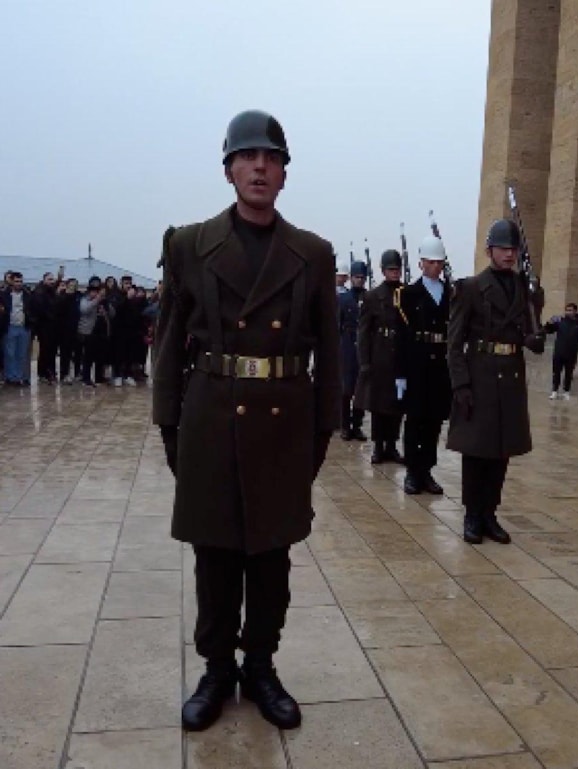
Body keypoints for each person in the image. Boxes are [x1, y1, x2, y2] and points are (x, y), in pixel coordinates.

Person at [153, 109, 340, 734]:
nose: (260, 166)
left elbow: (331, 353)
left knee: (270, 557)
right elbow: (170, 344)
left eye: (272, 158)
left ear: (285, 173)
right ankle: (215, 669)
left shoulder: (312, 253)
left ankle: (259, 664)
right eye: (248, 157)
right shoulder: (188, 245)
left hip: (284, 423)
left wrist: (322, 431)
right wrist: (169, 425)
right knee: (214, 555)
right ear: (229, 168)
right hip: (209, 416)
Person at [447, 218, 545, 545]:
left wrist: (535, 335)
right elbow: (454, 342)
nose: (509, 254)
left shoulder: (525, 287)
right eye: (503, 248)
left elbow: (531, 331)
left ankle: (490, 514)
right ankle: (472, 515)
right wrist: (460, 384)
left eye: (513, 249)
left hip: (510, 378)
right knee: (477, 452)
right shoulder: (471, 288)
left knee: (501, 452)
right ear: (490, 250)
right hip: (480, 376)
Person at [395, 235, 452, 495]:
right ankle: (412, 472)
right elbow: (401, 337)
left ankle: (427, 470)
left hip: (440, 363)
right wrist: (400, 374)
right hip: (416, 362)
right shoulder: (407, 294)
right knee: (415, 420)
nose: (435, 267)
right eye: (430, 262)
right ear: (421, 264)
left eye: (439, 262)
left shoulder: (450, 293)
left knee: (434, 421)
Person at [354, 249, 405, 464]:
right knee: (378, 406)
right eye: (391, 269)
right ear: (384, 271)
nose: (394, 273)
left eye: (397, 269)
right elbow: (364, 332)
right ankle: (378, 446)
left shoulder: (406, 293)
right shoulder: (373, 296)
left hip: (400, 356)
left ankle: (392, 445)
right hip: (380, 355)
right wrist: (364, 361)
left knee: (397, 405)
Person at [338, 260, 368, 440]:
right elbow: (337, 324)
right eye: (357, 277)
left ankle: (357, 425)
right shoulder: (343, 299)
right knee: (346, 389)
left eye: (362, 277)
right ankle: (344, 425)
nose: (359, 280)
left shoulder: (369, 297)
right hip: (347, 345)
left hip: (364, 346)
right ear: (351, 278)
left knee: (361, 389)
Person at [543, 302, 578, 400]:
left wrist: (575, 343)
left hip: (572, 353)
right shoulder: (560, 321)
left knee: (569, 373)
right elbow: (548, 329)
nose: (568, 312)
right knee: (556, 372)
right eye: (567, 310)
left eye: (570, 310)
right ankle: (554, 391)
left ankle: (566, 391)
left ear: (575, 311)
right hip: (559, 352)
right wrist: (549, 323)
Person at [0, 272, 34, 386]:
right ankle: (10, 377)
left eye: (20, 281)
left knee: (22, 353)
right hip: (10, 326)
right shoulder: (4, 295)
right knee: (10, 353)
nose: (18, 284)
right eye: (16, 281)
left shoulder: (28, 295)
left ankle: (20, 377)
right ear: (11, 282)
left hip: (23, 327)